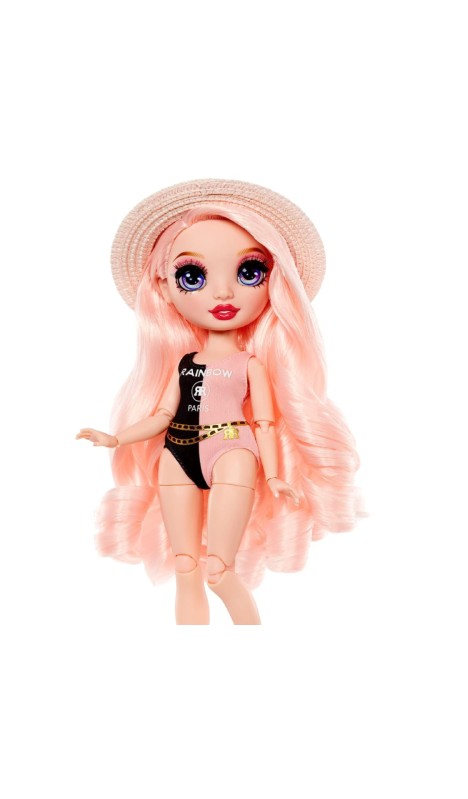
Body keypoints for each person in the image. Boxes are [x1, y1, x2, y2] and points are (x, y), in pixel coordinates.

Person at [77, 179, 359, 625]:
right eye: (193, 277)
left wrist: (274, 474)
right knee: (186, 567)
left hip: (232, 450)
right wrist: (116, 438)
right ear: (164, 288)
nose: (224, 294)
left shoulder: (251, 364)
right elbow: (163, 414)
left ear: (274, 282)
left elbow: (265, 423)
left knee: (220, 571)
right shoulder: (184, 362)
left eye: (249, 272)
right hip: (177, 451)